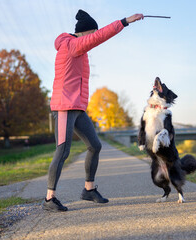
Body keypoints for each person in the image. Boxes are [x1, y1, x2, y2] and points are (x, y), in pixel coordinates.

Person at [43, 9, 144, 212]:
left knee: (95, 146)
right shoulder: (71, 45)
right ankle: (49, 199)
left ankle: (88, 190)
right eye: (92, 34)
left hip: (78, 107)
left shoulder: (79, 49)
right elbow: (100, 37)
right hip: (64, 106)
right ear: (85, 32)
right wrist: (125, 22)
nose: (92, 39)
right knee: (62, 151)